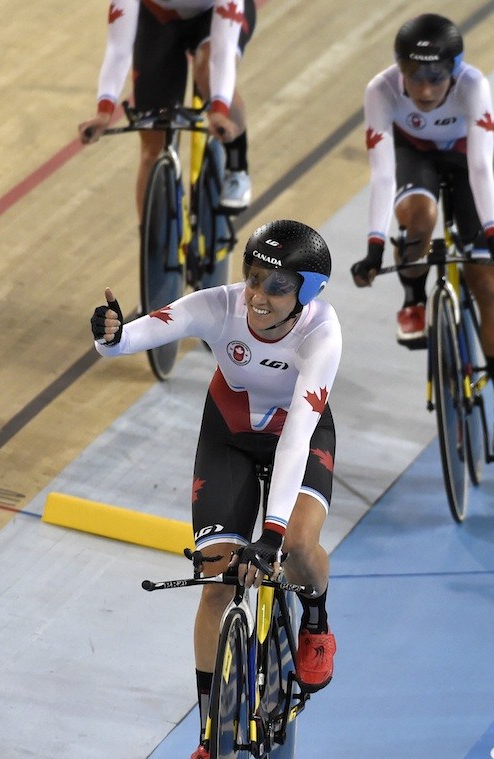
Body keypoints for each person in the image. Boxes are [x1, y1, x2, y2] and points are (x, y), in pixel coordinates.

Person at [90, 219, 339, 759]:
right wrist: (112, 336)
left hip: (296, 433)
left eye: (278, 287)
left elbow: (296, 437)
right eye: (253, 278)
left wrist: (271, 535)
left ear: (308, 294)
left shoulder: (322, 334)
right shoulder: (221, 306)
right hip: (227, 435)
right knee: (216, 580)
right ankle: (210, 733)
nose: (258, 296)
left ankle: (315, 618)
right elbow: (142, 333)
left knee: (296, 546)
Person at [350, 13, 494, 457]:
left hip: (469, 158)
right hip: (415, 154)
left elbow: (483, 169)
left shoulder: (474, 86)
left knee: (487, 280)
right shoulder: (381, 90)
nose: (425, 91)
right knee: (419, 213)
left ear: (455, 71)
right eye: (414, 77)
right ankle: (413, 298)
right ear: (400, 71)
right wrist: (374, 246)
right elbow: (382, 176)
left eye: (435, 78)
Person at [77, 0, 255, 215]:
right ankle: (152, 244)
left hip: (211, 15)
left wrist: (218, 111)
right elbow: (118, 51)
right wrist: (104, 112)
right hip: (158, 19)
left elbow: (222, 53)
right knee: (153, 147)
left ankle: (237, 168)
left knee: (206, 72)